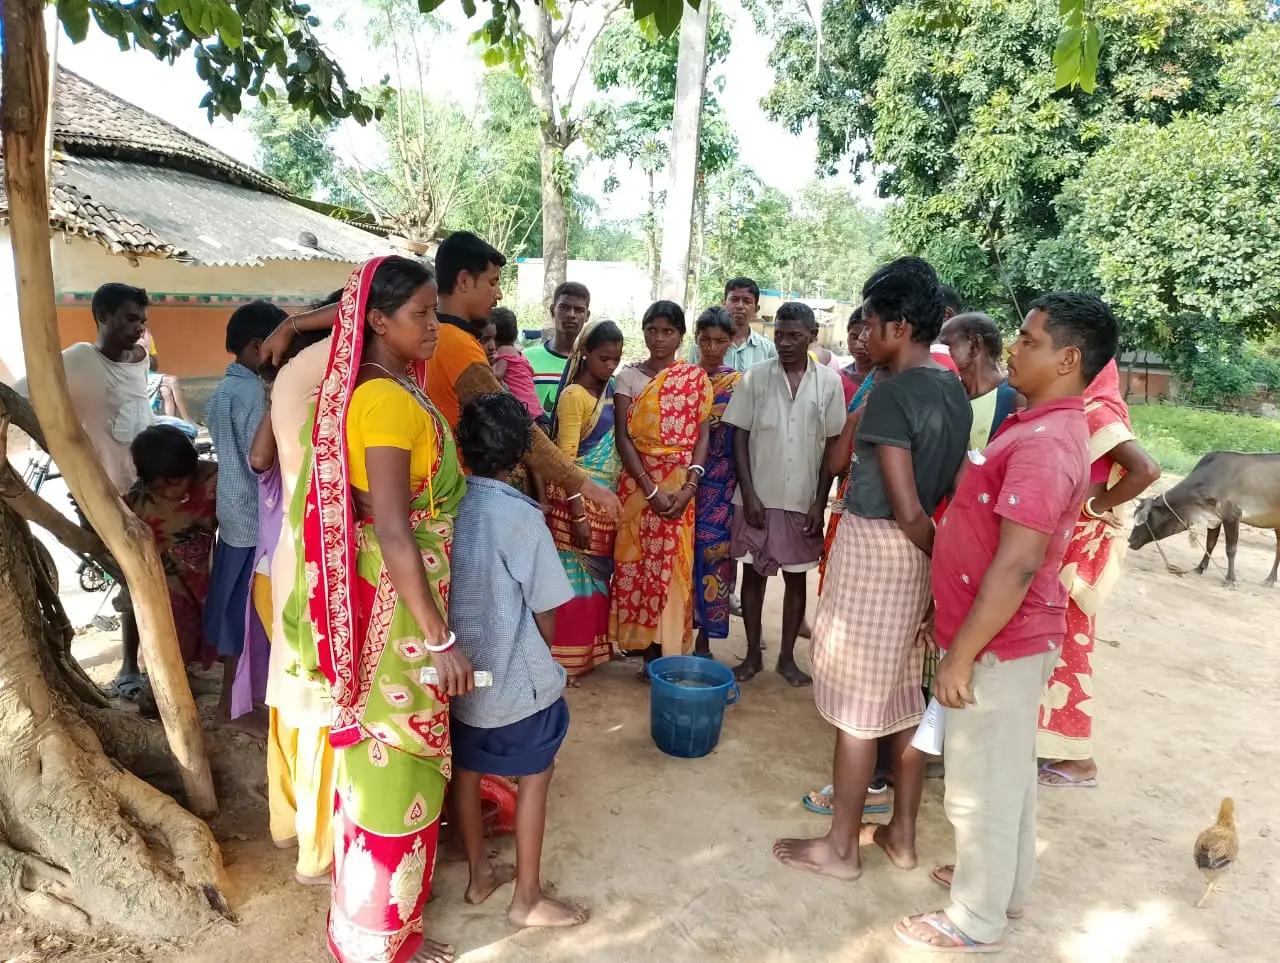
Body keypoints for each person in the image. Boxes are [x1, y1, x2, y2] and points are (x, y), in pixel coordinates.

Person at [894, 291, 1120, 954]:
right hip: (1005, 635)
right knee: (1009, 776)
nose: (1013, 349)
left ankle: (974, 916)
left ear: (1068, 360)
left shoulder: (1046, 443)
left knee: (979, 789)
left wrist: (961, 654)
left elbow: (1018, 564)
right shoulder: (1036, 425)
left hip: (1000, 643)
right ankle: (1001, 887)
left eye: (1028, 340)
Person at [774, 257, 971, 881]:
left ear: (899, 327)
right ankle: (902, 835)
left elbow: (907, 511)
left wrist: (936, 555)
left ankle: (841, 849)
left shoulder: (890, 395)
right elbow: (949, 493)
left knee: (858, 713)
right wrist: (944, 566)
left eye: (872, 324)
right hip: (918, 562)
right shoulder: (952, 388)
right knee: (903, 700)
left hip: (878, 553)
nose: (862, 334)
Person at [302, 256, 475, 963]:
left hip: (397, 594)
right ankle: (379, 940)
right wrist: (440, 639)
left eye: (435, 311)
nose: (434, 325)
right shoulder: (385, 401)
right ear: (377, 319)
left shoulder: (388, 388)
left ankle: (387, 924)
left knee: (391, 761)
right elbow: (396, 528)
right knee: (394, 761)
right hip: (401, 612)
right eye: (420, 314)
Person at [447, 393, 589, 929]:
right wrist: (540, 660)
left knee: (466, 769)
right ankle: (527, 899)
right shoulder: (522, 517)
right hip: (511, 681)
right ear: (522, 453)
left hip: (459, 676)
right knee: (535, 773)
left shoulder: (446, 505)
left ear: (462, 448)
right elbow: (546, 608)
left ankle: (479, 873)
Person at [15, 282, 156, 697]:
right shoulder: (77, 361)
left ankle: (152, 662)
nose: (139, 327)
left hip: (148, 488)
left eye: (142, 320)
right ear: (103, 316)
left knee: (154, 576)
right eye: (129, 318)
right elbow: (20, 396)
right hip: (101, 492)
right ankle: (129, 669)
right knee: (132, 578)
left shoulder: (140, 359)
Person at [1037, 352, 1160, 788]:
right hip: (1066, 543)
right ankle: (1052, 746)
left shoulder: (1097, 413)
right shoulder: (1081, 408)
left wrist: (1093, 506)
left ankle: (1078, 761)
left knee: (1068, 649)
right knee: (1053, 646)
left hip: (1077, 549)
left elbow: (1147, 469)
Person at [257, 292, 341, 886]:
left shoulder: (290, 383)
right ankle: (318, 852)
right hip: (312, 562)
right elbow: (368, 306)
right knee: (318, 703)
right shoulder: (321, 372)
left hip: (287, 555)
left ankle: (285, 823)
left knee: (291, 695)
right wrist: (294, 324)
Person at [723, 301, 846, 686]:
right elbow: (738, 436)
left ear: (812, 336)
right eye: (780, 335)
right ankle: (752, 655)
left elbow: (833, 445)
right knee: (753, 576)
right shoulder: (755, 378)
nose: (786, 343)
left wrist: (818, 502)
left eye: (795, 335)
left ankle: (788, 659)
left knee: (796, 580)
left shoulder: (829, 383)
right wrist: (748, 492)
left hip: (802, 500)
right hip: (756, 498)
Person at [612, 300, 713, 676]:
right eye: (652, 330)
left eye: (668, 331)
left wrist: (690, 487)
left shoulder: (694, 379)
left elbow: (702, 436)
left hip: (681, 488)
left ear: (680, 336)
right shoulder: (628, 378)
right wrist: (650, 489)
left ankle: (668, 651)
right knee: (639, 566)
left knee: (672, 570)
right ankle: (646, 651)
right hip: (639, 488)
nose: (659, 338)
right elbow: (623, 438)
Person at [204, 301, 278, 733]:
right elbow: (261, 459)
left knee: (238, 611)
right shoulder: (254, 396)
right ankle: (236, 707)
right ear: (257, 346)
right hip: (254, 518)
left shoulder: (221, 391)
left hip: (233, 515)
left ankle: (236, 703)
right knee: (247, 616)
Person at [545, 320, 625, 679]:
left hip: (606, 500)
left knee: (598, 579)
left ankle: (594, 651)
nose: (610, 366)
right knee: (573, 577)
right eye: (604, 358)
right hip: (576, 500)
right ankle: (567, 660)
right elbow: (567, 463)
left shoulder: (612, 392)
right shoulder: (574, 396)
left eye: (616, 359)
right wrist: (578, 514)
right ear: (585, 354)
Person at [123, 424, 218, 669]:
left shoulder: (214, 480)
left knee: (215, 636)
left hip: (206, 581)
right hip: (165, 588)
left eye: (179, 481)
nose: (174, 490)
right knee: (172, 647)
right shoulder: (138, 500)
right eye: (162, 485)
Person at [690, 307, 742, 658]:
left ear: (730, 342)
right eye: (705, 340)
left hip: (722, 484)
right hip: (682, 480)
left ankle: (704, 641)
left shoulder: (739, 384)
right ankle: (671, 635)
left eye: (719, 341)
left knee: (714, 560)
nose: (711, 348)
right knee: (679, 559)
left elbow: (743, 438)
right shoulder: (682, 378)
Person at [939, 312, 1022, 449]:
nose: (940, 355)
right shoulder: (948, 400)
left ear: (975, 345)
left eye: (946, 347)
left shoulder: (1015, 399)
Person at [526, 281, 591, 413]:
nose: (571, 315)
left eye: (579, 310)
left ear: (587, 316)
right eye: (564, 307)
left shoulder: (593, 362)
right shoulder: (527, 359)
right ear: (552, 311)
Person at [687, 277, 778, 372]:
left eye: (747, 301)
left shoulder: (768, 349)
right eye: (734, 300)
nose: (740, 306)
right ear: (724, 304)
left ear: (756, 309)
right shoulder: (701, 346)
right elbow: (691, 377)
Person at [490, 306, 544, 419]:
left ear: (494, 335)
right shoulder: (519, 354)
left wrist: (483, 367)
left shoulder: (503, 350)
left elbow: (497, 375)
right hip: (536, 410)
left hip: (524, 411)